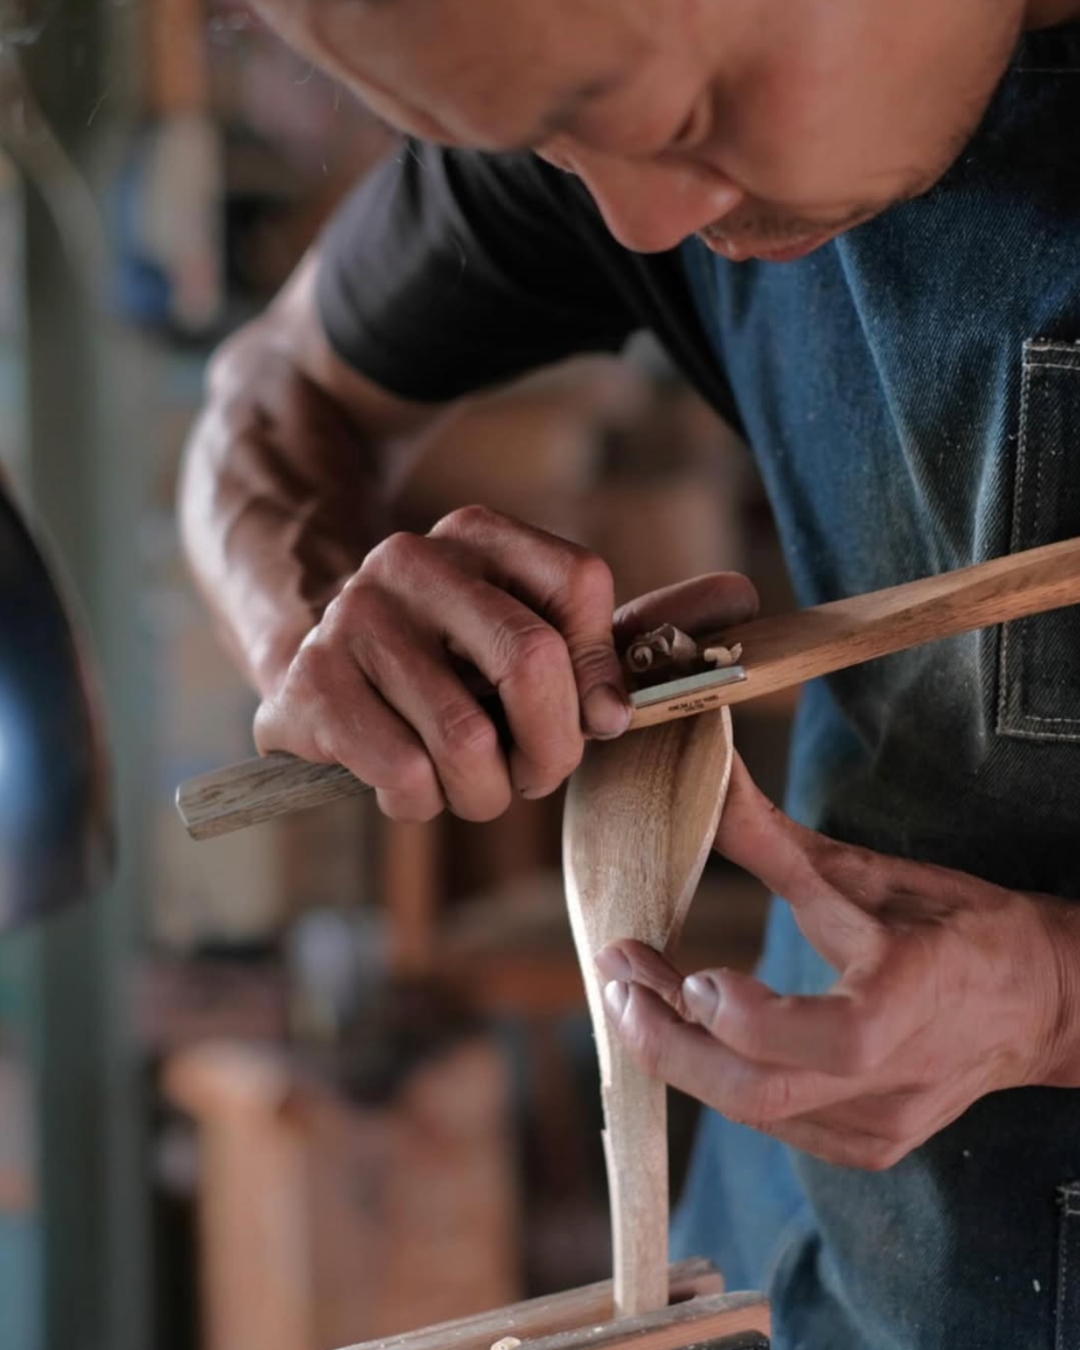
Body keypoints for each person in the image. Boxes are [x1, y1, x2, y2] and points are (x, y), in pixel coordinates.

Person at [179, 2, 1080, 1344]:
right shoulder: (612, 50)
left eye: (678, 118)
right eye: (554, 138)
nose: (641, 220)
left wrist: (1054, 1003)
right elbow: (264, 395)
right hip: (791, 1259)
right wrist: (316, 608)